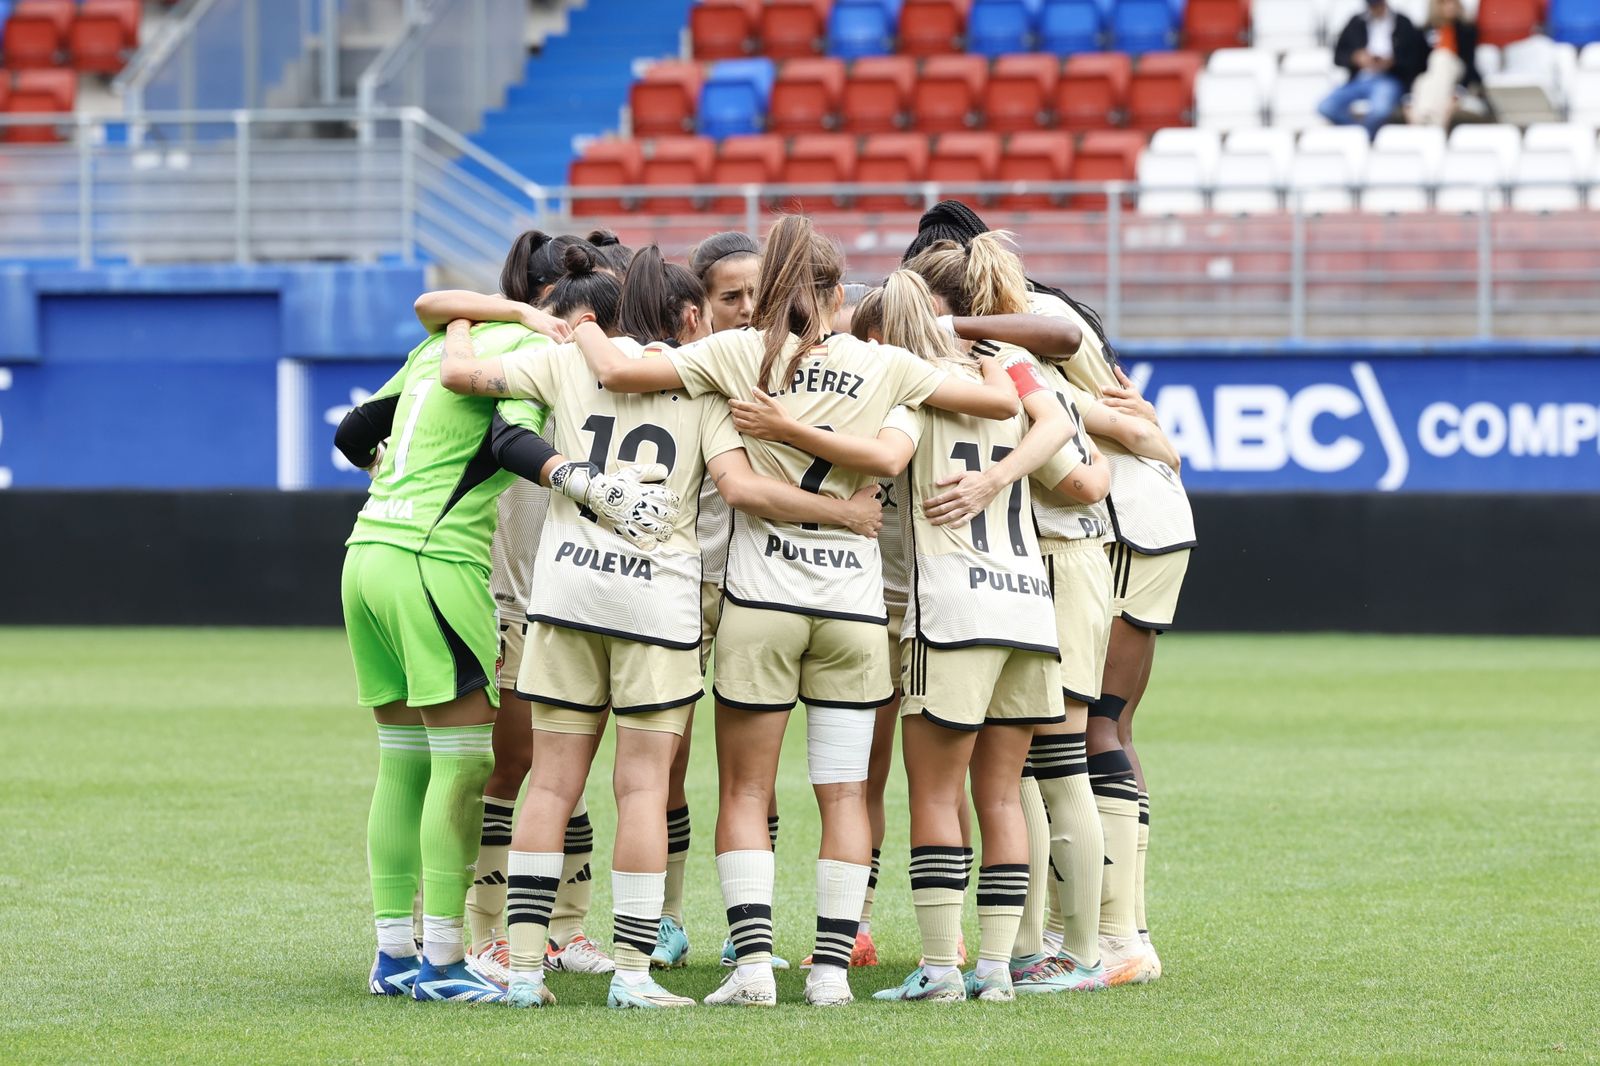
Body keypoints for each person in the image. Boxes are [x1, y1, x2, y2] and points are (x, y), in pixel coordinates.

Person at [569, 214, 1022, 1008]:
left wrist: (572, 324)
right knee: (845, 794)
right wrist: (966, 337)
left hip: (762, 602)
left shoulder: (736, 352)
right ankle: (830, 974)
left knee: (746, 792)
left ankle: (750, 969)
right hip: (851, 611)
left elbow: (618, 373)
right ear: (839, 293)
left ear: (768, 293)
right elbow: (990, 403)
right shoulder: (884, 365)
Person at [438, 245, 883, 1009]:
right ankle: (634, 975)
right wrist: (846, 512)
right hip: (657, 605)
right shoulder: (708, 382)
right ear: (688, 315)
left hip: (567, 596)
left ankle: (518, 971)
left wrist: (485, 322)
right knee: (643, 787)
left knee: (549, 784)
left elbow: (460, 372)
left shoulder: (567, 362)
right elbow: (741, 486)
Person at [726, 268, 1076, 1003]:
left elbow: (878, 458)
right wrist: (999, 475)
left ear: (881, 338)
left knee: (936, 796)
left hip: (952, 613)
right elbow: (1057, 426)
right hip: (1028, 607)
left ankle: (942, 970)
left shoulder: (908, 393)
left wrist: (788, 426)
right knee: (1005, 798)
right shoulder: (1007, 373)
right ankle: (997, 972)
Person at [333, 309, 681, 1003]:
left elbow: (352, 434)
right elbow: (510, 436)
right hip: (434, 563)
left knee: (401, 763)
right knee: (465, 764)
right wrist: (579, 482)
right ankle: (440, 962)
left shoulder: (440, 340)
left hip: (366, 551)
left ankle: (393, 954)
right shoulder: (526, 352)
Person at [903, 201, 1192, 985]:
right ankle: (1059, 938)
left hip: (1104, 533)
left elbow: (1088, 421)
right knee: (1066, 747)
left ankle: (1101, 940)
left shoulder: (1023, 326)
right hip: (1087, 536)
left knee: (1080, 741)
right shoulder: (1004, 349)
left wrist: (1142, 439)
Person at [412, 234, 618, 982]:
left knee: (559, 770)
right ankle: (478, 933)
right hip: (501, 598)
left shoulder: (589, 368)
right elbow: (369, 432)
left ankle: (563, 930)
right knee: (508, 770)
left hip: (561, 598)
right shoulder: (514, 360)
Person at [650, 230, 793, 972]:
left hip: (759, 591)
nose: (744, 308)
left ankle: (748, 920)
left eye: (755, 295)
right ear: (698, 308)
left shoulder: (799, 372)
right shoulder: (684, 373)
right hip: (679, 584)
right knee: (662, 758)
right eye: (729, 296)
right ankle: (667, 918)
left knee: (753, 769)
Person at [1319, 0, 1429, 139]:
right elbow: (1338, 56)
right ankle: (1361, 136)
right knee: (1325, 106)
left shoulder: (1403, 23)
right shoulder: (1356, 23)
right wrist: (1356, 58)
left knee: (1380, 110)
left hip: (1390, 80)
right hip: (1359, 80)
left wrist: (1392, 63)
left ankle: (1361, 140)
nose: (1375, 8)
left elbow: (1418, 58)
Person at [1409, 0, 1483, 128]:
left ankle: (1430, 121)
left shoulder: (1466, 29)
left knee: (1440, 57)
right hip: (1434, 80)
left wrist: (1458, 92)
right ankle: (1425, 124)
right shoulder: (1425, 31)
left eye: (1453, 3)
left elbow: (1470, 65)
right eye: (1445, 3)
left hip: (1458, 75)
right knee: (1423, 81)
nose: (1450, 7)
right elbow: (1419, 66)